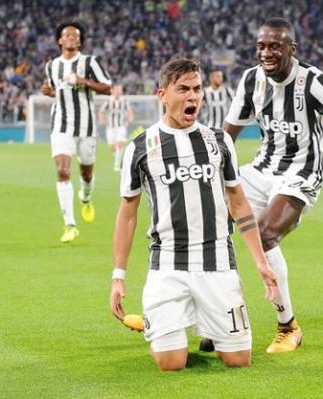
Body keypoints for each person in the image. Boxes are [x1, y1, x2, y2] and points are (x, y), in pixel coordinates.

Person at [218, 18, 323, 353]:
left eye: (275, 46)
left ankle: (287, 325)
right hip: (262, 168)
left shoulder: (314, 82)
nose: (267, 52)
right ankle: (219, 315)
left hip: (302, 173)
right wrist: (213, 172)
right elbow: (228, 134)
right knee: (209, 221)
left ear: (292, 49)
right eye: (262, 46)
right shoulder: (250, 80)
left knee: (263, 235)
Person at [109, 58, 278, 371]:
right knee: (171, 363)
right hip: (168, 264)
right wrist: (118, 275)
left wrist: (261, 262)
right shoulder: (141, 147)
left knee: (238, 360)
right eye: (183, 89)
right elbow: (127, 214)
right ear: (162, 94)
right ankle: (160, 317)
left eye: (197, 89)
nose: (193, 97)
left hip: (217, 263)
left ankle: (197, 317)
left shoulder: (219, 141)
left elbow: (238, 202)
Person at [41, 21, 111, 243]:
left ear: (79, 41)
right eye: (67, 34)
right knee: (62, 170)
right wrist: (49, 92)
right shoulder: (51, 65)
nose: (71, 37)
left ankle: (86, 198)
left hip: (86, 127)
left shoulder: (90, 62)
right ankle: (70, 225)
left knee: (86, 174)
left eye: (75, 35)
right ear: (60, 40)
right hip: (61, 125)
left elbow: (107, 88)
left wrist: (83, 81)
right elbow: (58, 91)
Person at [97, 84, 134, 171]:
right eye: (117, 90)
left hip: (121, 126)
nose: (118, 92)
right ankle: (121, 158)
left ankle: (117, 165)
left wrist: (130, 118)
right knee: (112, 147)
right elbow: (101, 111)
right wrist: (102, 119)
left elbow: (129, 111)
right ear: (113, 91)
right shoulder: (108, 101)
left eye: (120, 90)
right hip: (110, 127)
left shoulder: (124, 101)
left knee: (119, 144)